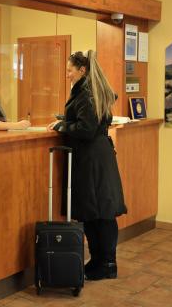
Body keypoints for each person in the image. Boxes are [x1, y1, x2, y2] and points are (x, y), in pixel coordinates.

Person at [47, 50, 127, 281]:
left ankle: (106, 264)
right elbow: (88, 120)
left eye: (70, 69)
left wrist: (62, 127)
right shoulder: (91, 90)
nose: (67, 73)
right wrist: (65, 120)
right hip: (98, 156)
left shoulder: (86, 93)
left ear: (82, 70)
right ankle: (101, 262)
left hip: (92, 159)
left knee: (98, 212)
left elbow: (86, 128)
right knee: (98, 211)